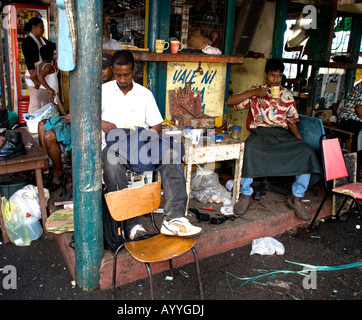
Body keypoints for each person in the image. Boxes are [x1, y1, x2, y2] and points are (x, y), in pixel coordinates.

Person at [101, 50, 202, 239]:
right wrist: (101, 123)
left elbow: (157, 125)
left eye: (127, 74)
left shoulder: (144, 94)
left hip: (139, 143)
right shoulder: (102, 92)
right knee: (111, 164)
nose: (122, 79)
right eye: (118, 75)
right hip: (113, 146)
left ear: (134, 70)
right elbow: (82, 117)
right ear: (113, 72)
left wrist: (148, 139)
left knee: (170, 156)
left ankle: (174, 218)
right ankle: (132, 224)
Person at [227, 58, 322, 221]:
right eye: (272, 75)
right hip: (261, 134)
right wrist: (254, 93)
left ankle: (296, 197)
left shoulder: (287, 95)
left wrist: (299, 140)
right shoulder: (256, 92)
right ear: (265, 75)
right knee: (248, 150)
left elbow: (292, 120)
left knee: (306, 152)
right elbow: (230, 101)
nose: (276, 79)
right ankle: (245, 193)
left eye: (279, 76)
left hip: (282, 134)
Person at [38, 53, 115, 192]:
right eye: (99, 68)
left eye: (104, 68)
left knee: (49, 136)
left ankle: (58, 172)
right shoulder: (96, 83)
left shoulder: (112, 89)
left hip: (90, 125)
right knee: (41, 125)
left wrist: (76, 117)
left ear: (112, 68)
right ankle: (46, 170)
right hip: (81, 119)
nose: (101, 71)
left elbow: (100, 117)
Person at [22, 17, 54, 114]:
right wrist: (35, 80)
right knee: (35, 101)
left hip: (41, 74)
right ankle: (32, 125)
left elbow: (52, 46)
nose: (43, 29)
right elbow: (29, 62)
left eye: (43, 27)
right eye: (41, 27)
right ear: (33, 27)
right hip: (34, 75)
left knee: (41, 102)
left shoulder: (41, 39)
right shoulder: (27, 42)